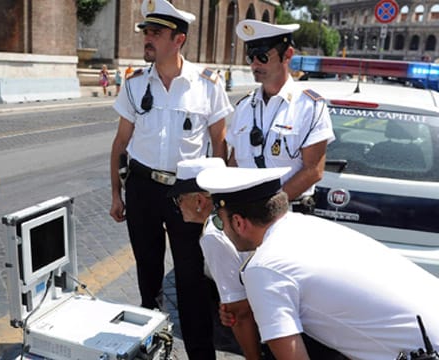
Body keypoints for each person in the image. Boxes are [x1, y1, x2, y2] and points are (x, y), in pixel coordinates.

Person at [196, 166, 439, 360]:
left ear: (239, 222)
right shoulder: (306, 226)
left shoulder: (265, 266)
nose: (223, 231)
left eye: (221, 223)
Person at [109, 0, 233, 358]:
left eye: (156, 33)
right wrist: (117, 195)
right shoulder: (133, 85)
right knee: (148, 275)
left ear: (178, 40)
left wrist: (216, 200)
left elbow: (219, 146)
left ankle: (200, 353)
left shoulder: (207, 85)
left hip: (188, 193)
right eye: (146, 32)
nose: (148, 39)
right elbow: (120, 143)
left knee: (191, 278)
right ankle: (150, 347)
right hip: (143, 188)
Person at [226, 20, 335, 212]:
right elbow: (234, 162)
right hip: (246, 215)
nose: (255, 65)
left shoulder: (310, 106)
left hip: (289, 214)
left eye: (262, 56)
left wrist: (268, 209)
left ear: (288, 54)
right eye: (250, 58)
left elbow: (313, 171)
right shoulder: (243, 107)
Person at [168, 158, 263, 360]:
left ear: (199, 202)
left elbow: (239, 311)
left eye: (179, 199)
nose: (177, 206)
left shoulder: (212, 236)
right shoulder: (232, 216)